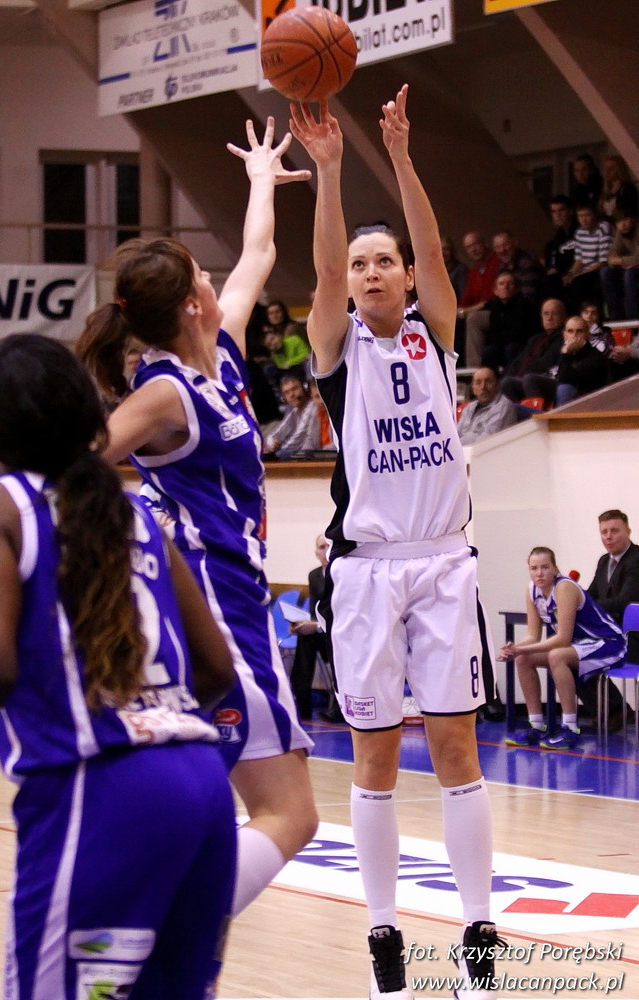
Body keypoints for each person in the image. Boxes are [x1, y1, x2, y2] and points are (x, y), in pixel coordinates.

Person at [78, 117, 318, 919]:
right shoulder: (164, 391)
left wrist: (261, 179)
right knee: (290, 815)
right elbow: (82, 459)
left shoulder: (224, 350)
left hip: (228, 600)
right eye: (201, 276)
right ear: (189, 303)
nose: (217, 279)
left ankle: (127, 923)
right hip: (216, 610)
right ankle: (151, 940)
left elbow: (258, 253)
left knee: (203, 810)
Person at [290, 86, 500, 1000]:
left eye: (385, 262)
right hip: (368, 572)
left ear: (407, 278)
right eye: (361, 263)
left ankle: (479, 931)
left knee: (457, 751)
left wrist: (403, 157)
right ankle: (383, 933)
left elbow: (434, 249)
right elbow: (323, 271)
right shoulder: (338, 351)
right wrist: (331, 172)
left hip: (444, 563)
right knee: (374, 758)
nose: (371, 272)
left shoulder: (436, 336)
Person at [0, 334, 237, 1000]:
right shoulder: (135, 513)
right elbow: (214, 665)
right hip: (202, 786)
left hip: (101, 791)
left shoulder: (0, 508)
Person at [500, 546, 625, 751]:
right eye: (534, 568)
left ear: (555, 569)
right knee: (523, 659)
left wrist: (523, 649)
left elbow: (563, 639)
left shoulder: (564, 588)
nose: (539, 573)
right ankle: (536, 725)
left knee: (557, 655)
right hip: (580, 646)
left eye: (545, 567)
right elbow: (532, 635)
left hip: (609, 643)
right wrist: (515, 648)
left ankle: (570, 728)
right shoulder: (532, 590)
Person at [288, 533, 342, 722]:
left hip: (341, 633)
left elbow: (344, 612)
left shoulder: (344, 573)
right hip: (323, 633)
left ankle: (339, 707)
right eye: (321, 547)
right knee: (305, 637)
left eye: (328, 546)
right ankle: (301, 702)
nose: (325, 551)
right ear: (316, 553)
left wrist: (317, 625)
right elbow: (314, 610)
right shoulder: (314, 575)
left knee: (319, 638)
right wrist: (301, 625)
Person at [588, 510, 639, 662]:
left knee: (568, 656)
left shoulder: (636, 558)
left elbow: (624, 602)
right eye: (604, 532)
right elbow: (591, 594)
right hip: (607, 633)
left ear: (628, 531)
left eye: (614, 531)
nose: (608, 537)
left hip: (632, 638)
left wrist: (589, 606)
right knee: (564, 652)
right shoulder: (604, 561)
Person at [500, 298, 566, 404]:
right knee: (505, 382)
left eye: (554, 314)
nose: (549, 318)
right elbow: (519, 361)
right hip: (523, 378)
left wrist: (522, 374)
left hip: (545, 379)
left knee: (529, 379)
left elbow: (546, 363)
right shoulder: (535, 339)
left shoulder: (563, 337)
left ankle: (535, 411)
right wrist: (507, 375)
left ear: (563, 316)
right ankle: (517, 412)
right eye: (546, 314)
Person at [457, 231, 501, 368]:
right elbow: (466, 300)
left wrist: (466, 311)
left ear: (484, 243)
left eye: (475, 244)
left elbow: (492, 299)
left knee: (473, 319)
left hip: (497, 310)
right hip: (477, 310)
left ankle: (474, 369)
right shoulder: (474, 271)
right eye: (469, 247)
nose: (473, 250)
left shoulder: (497, 262)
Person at [479, 272, 539, 371]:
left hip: (520, 347)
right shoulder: (496, 307)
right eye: (501, 284)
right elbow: (493, 334)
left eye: (510, 284)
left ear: (517, 288)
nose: (505, 287)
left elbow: (519, 335)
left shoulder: (524, 305)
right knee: (488, 351)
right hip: (501, 347)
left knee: (511, 349)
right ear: (496, 291)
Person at [562, 203, 613, 311]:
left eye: (587, 215)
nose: (584, 220)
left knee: (579, 283)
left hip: (598, 270)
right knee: (564, 283)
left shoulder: (603, 228)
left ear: (594, 215)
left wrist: (580, 274)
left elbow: (603, 261)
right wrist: (571, 274)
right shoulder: (579, 232)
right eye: (580, 216)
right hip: (585, 271)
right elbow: (579, 260)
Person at [457, 366, 517, 445]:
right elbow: (456, 434)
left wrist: (457, 445)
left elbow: (486, 441)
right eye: (478, 383)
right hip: (463, 449)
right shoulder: (469, 407)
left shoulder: (503, 406)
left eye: (488, 382)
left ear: (497, 385)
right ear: (473, 389)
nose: (483, 387)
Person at [264, 374, 320, 457]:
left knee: (279, 454)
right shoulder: (293, 410)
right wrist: (272, 444)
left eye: (294, 389)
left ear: (304, 388)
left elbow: (299, 438)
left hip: (313, 452)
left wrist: (278, 450)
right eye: (287, 393)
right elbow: (276, 433)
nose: (291, 395)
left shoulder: (312, 406)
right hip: (298, 453)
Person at [600, 211, 639, 321]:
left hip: (633, 270)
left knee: (629, 274)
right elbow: (612, 254)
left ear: (632, 219)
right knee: (605, 272)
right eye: (618, 222)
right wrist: (615, 260)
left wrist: (621, 260)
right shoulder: (620, 233)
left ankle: (633, 318)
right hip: (629, 267)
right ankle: (615, 317)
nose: (622, 225)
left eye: (625, 220)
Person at [491, 230, 544, 304]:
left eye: (505, 245)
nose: (502, 250)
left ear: (515, 243)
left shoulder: (528, 262)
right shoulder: (502, 266)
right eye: (498, 247)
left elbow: (529, 298)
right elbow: (498, 295)